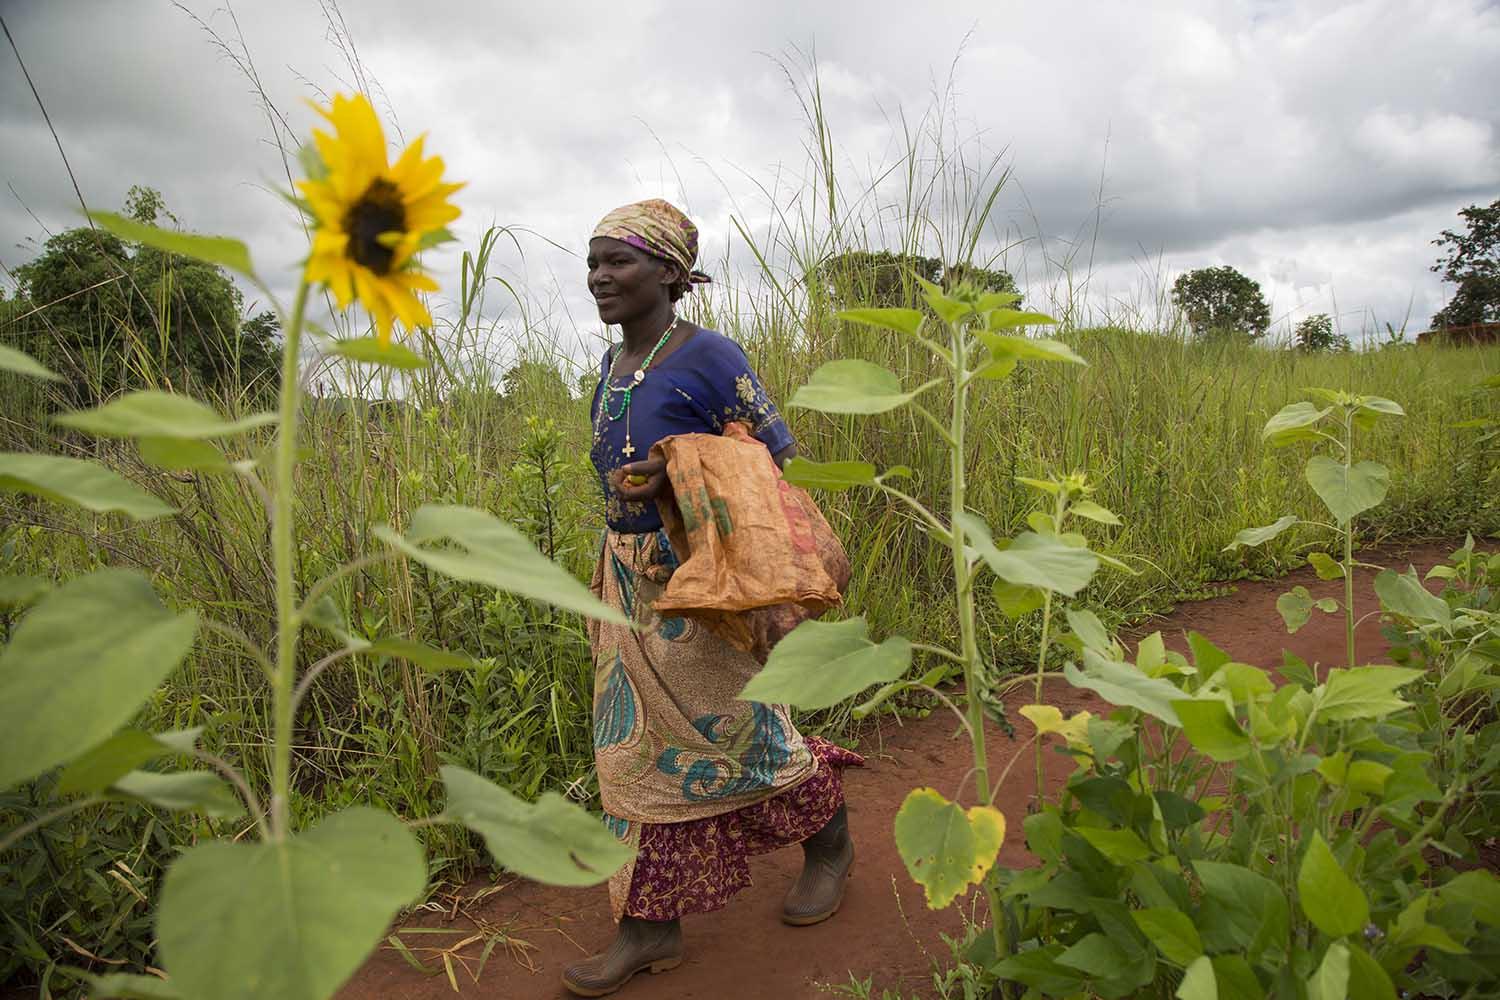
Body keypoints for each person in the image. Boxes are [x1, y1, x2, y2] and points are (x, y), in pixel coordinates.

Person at [563, 199, 863, 997]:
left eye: (617, 261)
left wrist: (678, 469)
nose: (599, 277)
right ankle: (648, 927)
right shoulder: (612, 367)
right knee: (629, 751)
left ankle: (831, 846)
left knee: (748, 731)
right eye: (592, 262)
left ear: (668, 272)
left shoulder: (710, 357)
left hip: (705, 579)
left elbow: (770, 460)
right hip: (627, 579)